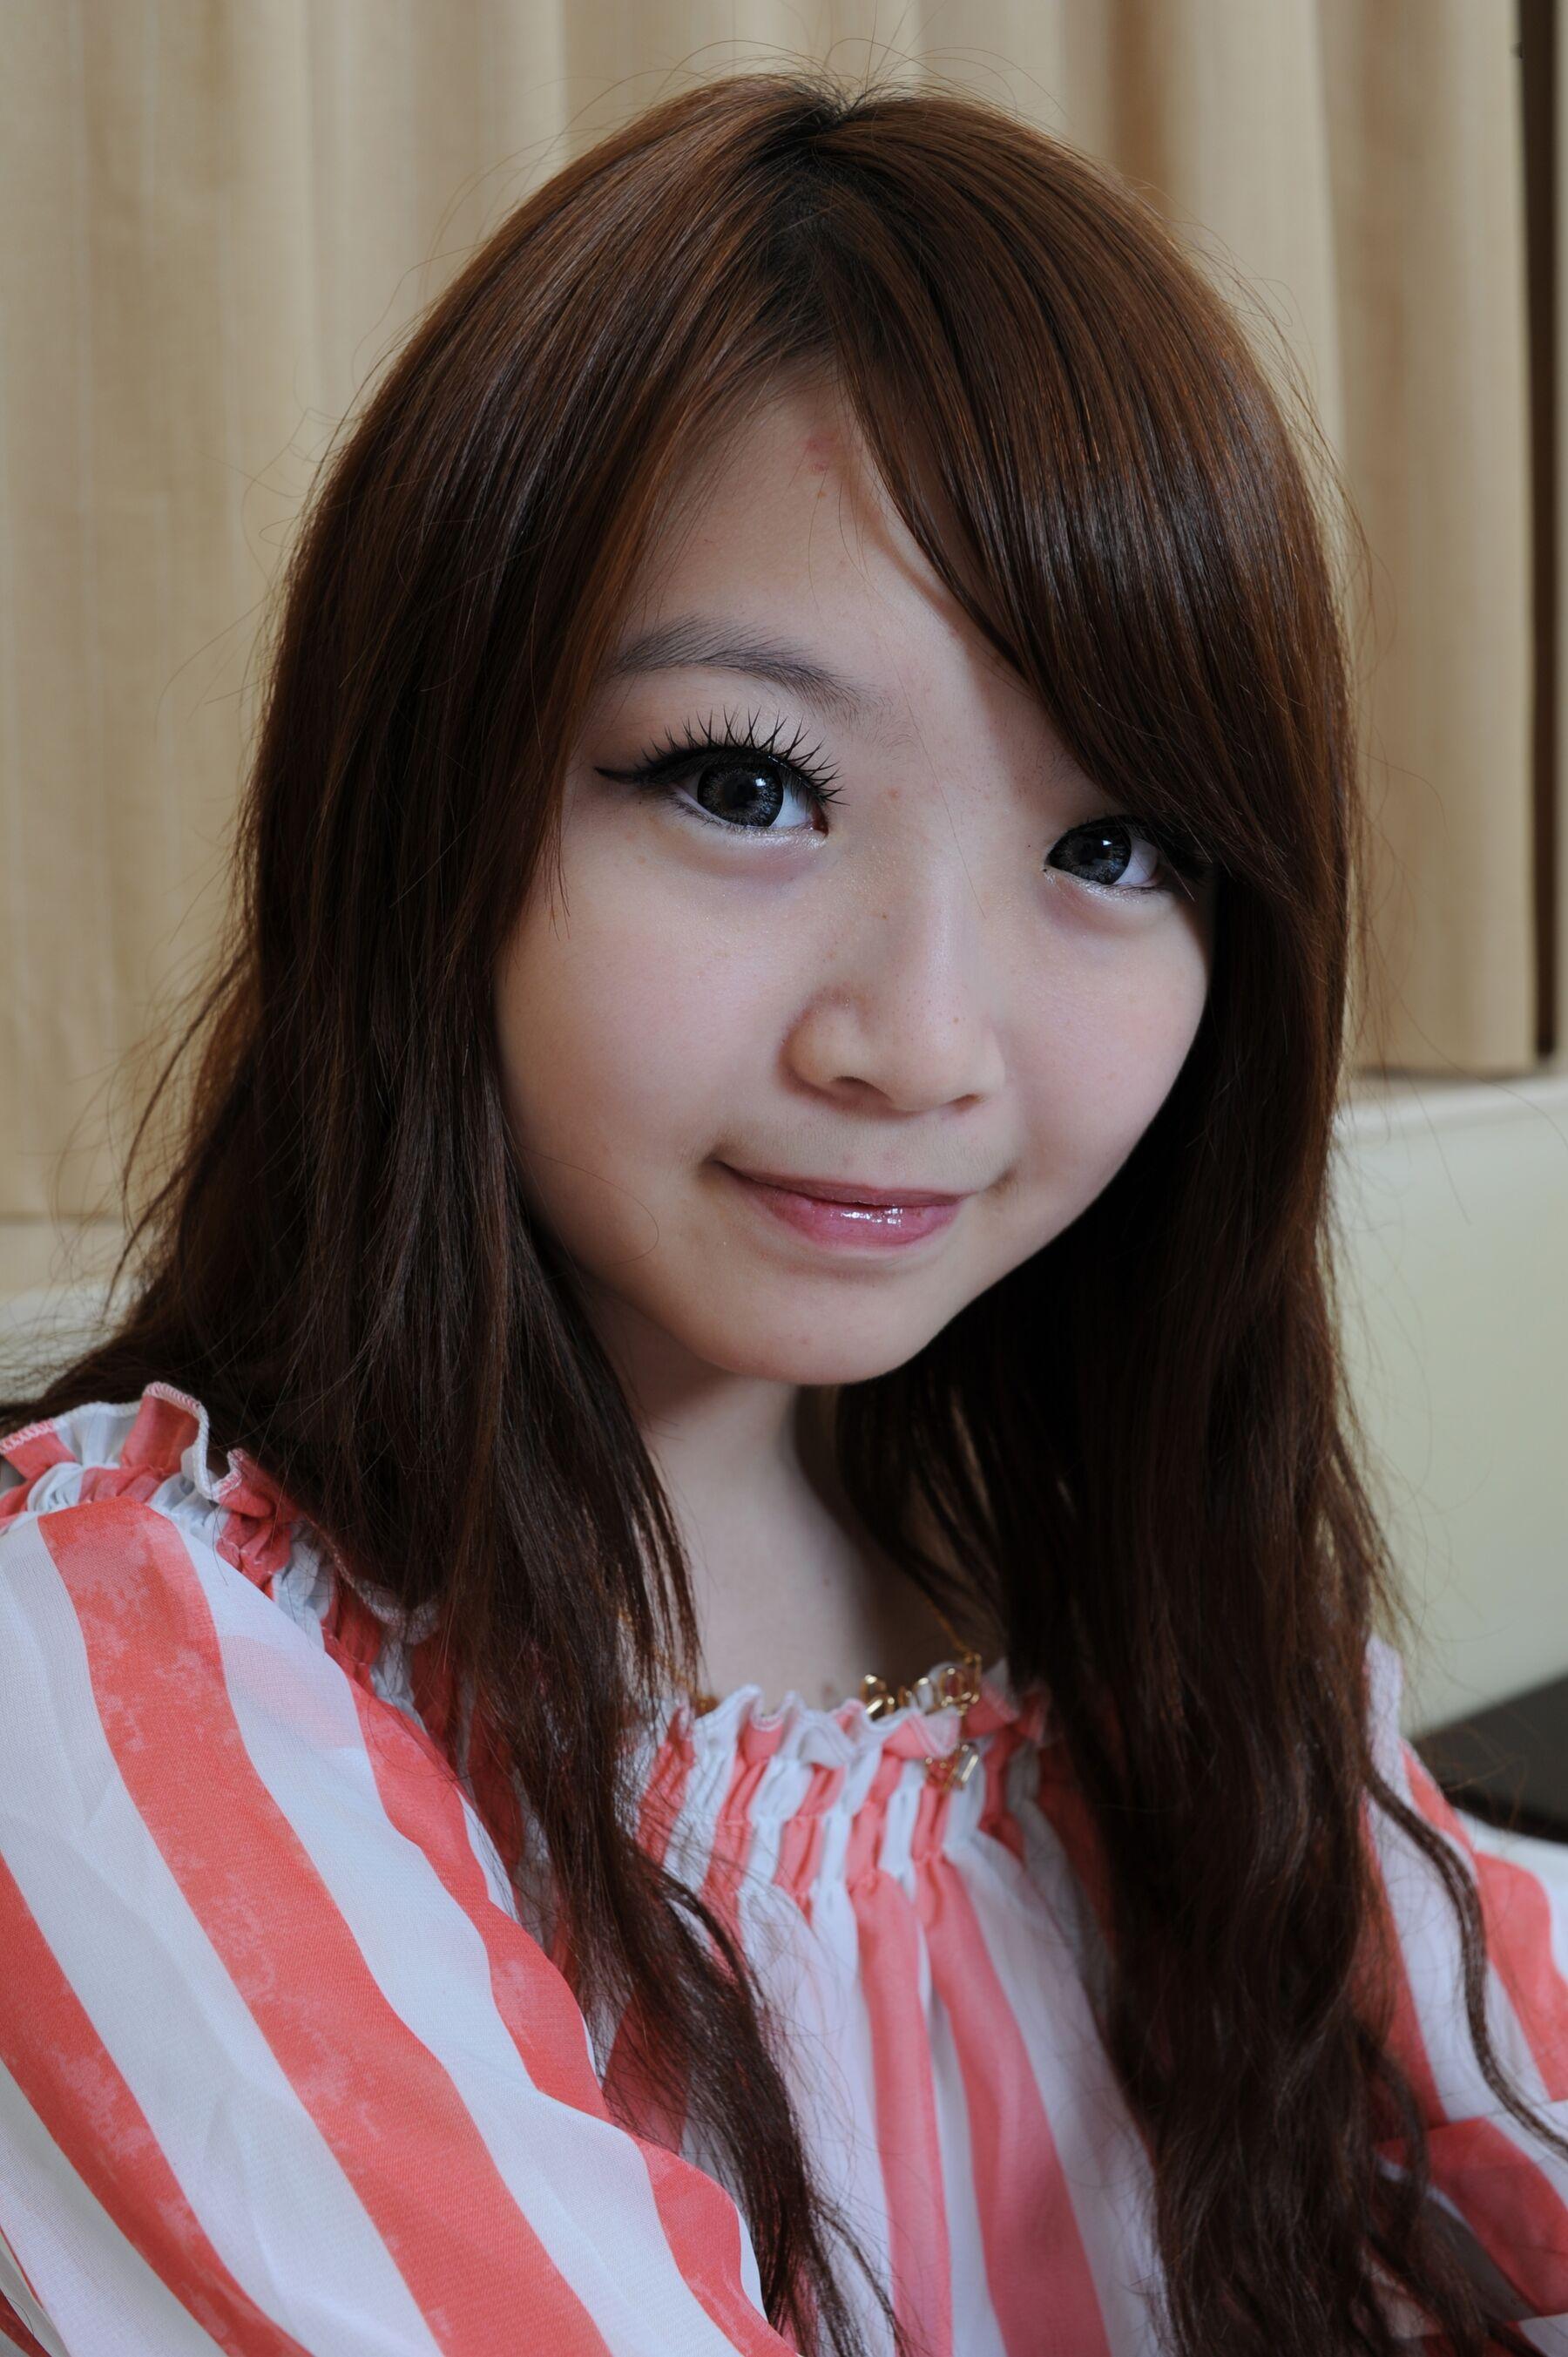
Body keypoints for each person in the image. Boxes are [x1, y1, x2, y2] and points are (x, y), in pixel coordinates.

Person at [0, 63, 1562, 2357]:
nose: (919, 1040)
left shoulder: (1119, 1586)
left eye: (1111, 845)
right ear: (426, 791)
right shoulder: (111, 1680)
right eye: (746, 783)